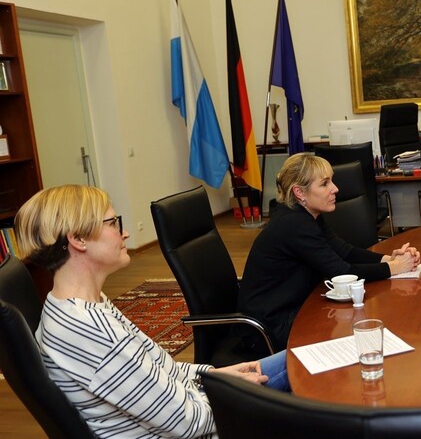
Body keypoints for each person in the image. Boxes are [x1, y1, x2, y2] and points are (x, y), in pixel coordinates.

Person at [14, 185, 289, 438]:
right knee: (316, 385)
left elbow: (160, 368)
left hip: (197, 407)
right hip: (201, 429)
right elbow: (187, 422)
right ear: (78, 239)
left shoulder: (84, 306)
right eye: (112, 223)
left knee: (308, 359)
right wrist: (239, 395)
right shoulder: (88, 330)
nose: (125, 232)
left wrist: (217, 374)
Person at [239, 153, 421, 351]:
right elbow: (342, 272)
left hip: (295, 310)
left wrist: (389, 258)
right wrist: (392, 268)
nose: (335, 189)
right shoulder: (294, 224)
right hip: (271, 329)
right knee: (359, 339)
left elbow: (346, 252)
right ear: (300, 192)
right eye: (325, 183)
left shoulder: (308, 215)